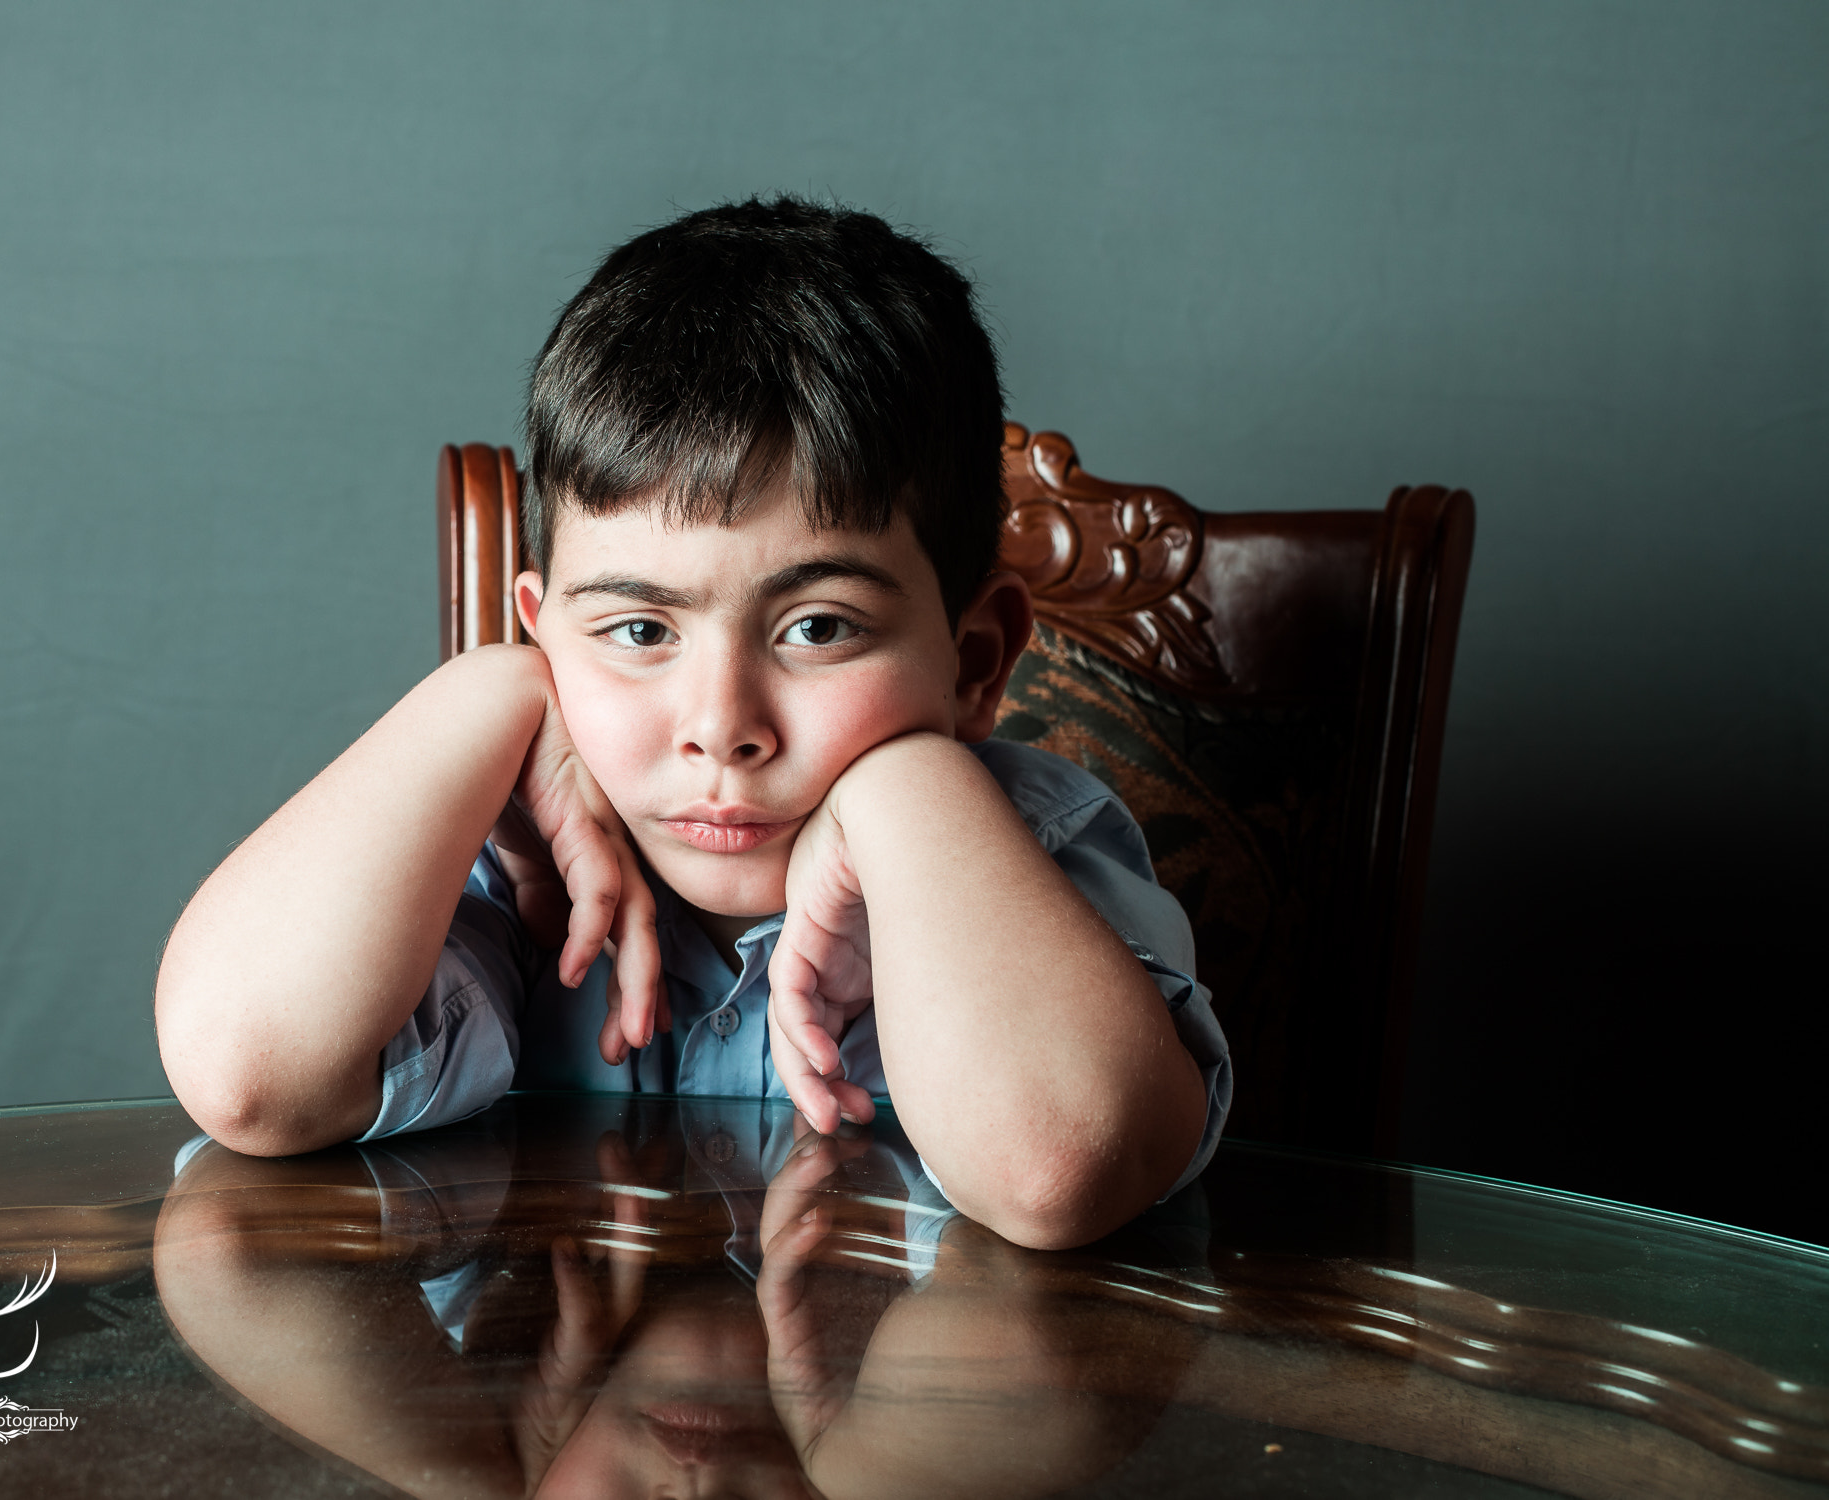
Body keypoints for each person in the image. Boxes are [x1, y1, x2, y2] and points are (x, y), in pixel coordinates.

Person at [155, 194, 1230, 1250]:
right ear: (548, 637)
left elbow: (1058, 1170)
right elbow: (247, 1077)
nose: (721, 728)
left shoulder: (1027, 852)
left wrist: (905, 785)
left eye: (818, 628)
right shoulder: (505, 866)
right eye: (634, 631)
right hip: (539, 1408)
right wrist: (496, 689)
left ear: (977, 658)